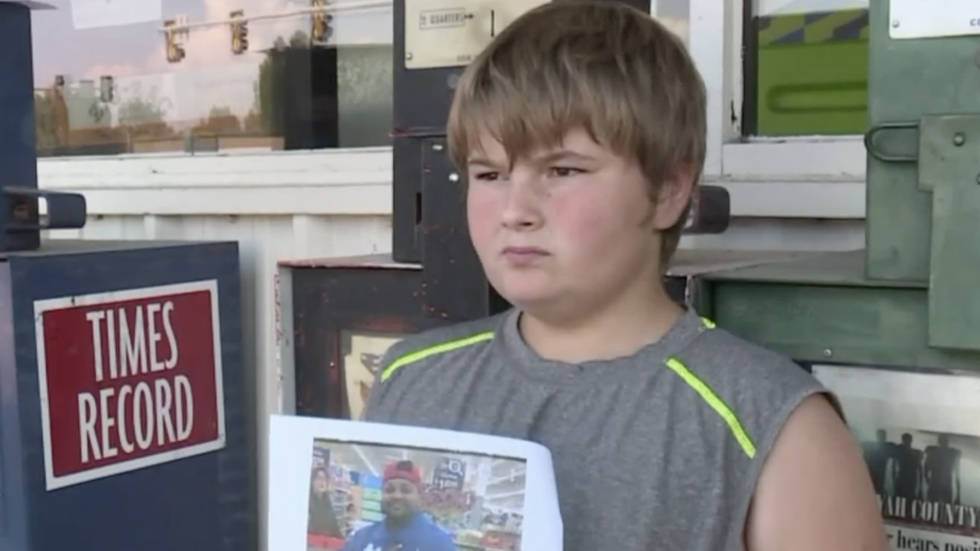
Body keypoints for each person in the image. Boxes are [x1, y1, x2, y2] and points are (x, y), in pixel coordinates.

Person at [362, 2, 888, 550]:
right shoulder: (412, 378)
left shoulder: (773, 424)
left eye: (562, 170)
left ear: (667, 191)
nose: (515, 209)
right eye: (490, 174)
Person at [340, 461, 457, 551]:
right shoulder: (361, 539)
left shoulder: (440, 544)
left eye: (405, 490)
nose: (397, 496)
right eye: (389, 490)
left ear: (419, 494)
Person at [924, 433, 961, 504]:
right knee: (941, 507)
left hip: (938, 484)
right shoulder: (952, 453)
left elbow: (926, 468)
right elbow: (957, 475)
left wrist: (927, 479)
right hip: (942, 484)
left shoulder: (933, 452)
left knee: (933, 506)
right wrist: (958, 494)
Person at [308, 467, 344, 538]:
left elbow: (334, 525)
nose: (322, 482)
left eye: (325, 479)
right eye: (319, 478)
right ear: (312, 481)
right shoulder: (308, 502)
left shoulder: (327, 502)